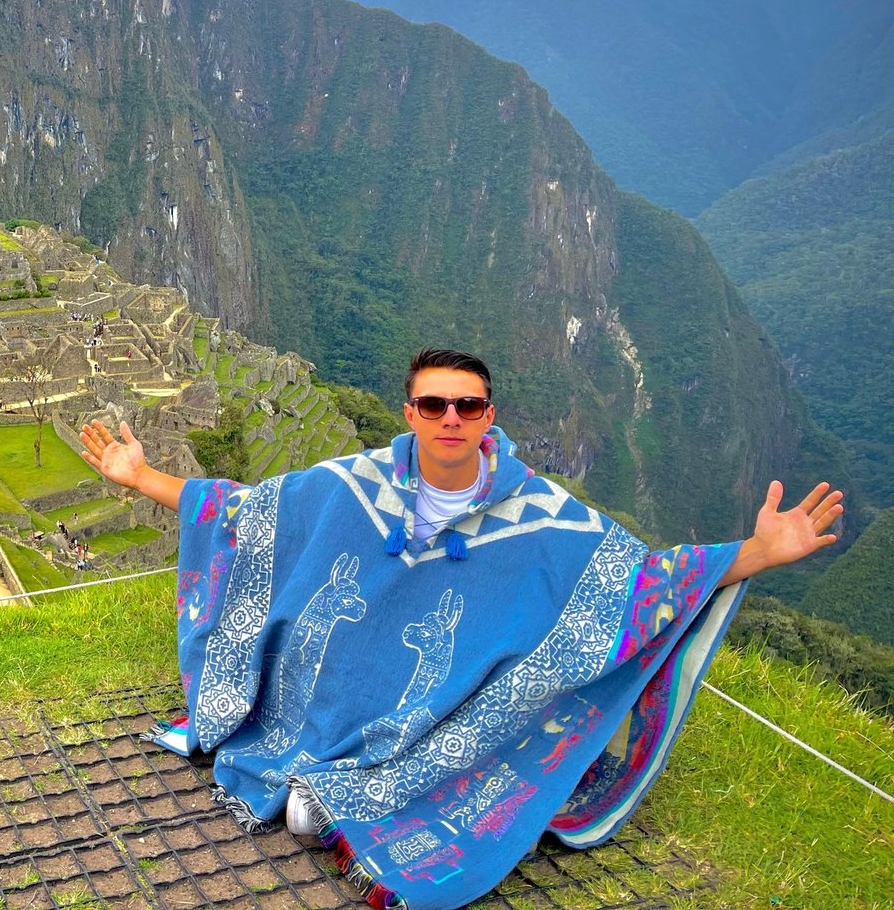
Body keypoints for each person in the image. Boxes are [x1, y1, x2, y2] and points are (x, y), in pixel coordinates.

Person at [78, 346, 842, 910]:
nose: (451, 419)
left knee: (466, 725)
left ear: (488, 419)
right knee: (302, 712)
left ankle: (345, 797)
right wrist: (141, 478)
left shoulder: (544, 516)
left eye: (467, 407)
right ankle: (315, 774)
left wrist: (757, 552)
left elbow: (641, 581)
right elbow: (247, 514)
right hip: (336, 695)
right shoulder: (351, 484)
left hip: (435, 706)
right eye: (435, 405)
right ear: (409, 413)